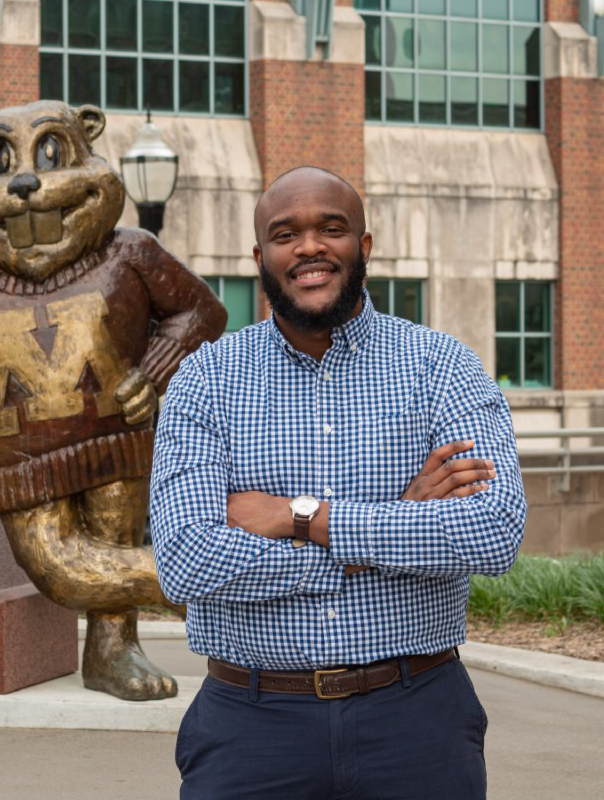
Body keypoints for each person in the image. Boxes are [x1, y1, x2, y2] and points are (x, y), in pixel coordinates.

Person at [149, 166, 526, 799]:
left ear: (364, 246)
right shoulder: (205, 379)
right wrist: (392, 523)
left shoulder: (443, 367)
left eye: (332, 228)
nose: (309, 247)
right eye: (285, 233)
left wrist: (304, 518)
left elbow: (491, 533)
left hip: (417, 720)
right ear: (261, 256)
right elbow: (186, 560)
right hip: (250, 726)